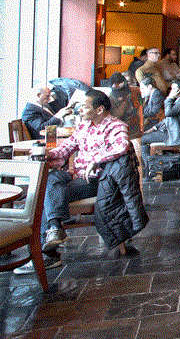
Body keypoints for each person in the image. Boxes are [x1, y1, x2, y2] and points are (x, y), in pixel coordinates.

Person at [39, 90, 139, 262]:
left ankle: (48, 253)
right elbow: (67, 147)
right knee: (49, 181)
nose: (80, 110)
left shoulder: (116, 126)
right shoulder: (84, 126)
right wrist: (47, 155)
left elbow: (122, 146)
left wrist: (97, 160)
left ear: (99, 109)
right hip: (76, 175)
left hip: (98, 180)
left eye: (84, 107)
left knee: (44, 195)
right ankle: (54, 229)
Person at [140, 79, 180, 170]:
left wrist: (169, 98)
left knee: (142, 139)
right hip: (171, 130)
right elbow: (168, 118)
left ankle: (150, 168)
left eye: (174, 89)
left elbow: (168, 113)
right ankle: (151, 166)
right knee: (145, 135)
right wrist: (154, 127)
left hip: (173, 134)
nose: (171, 92)